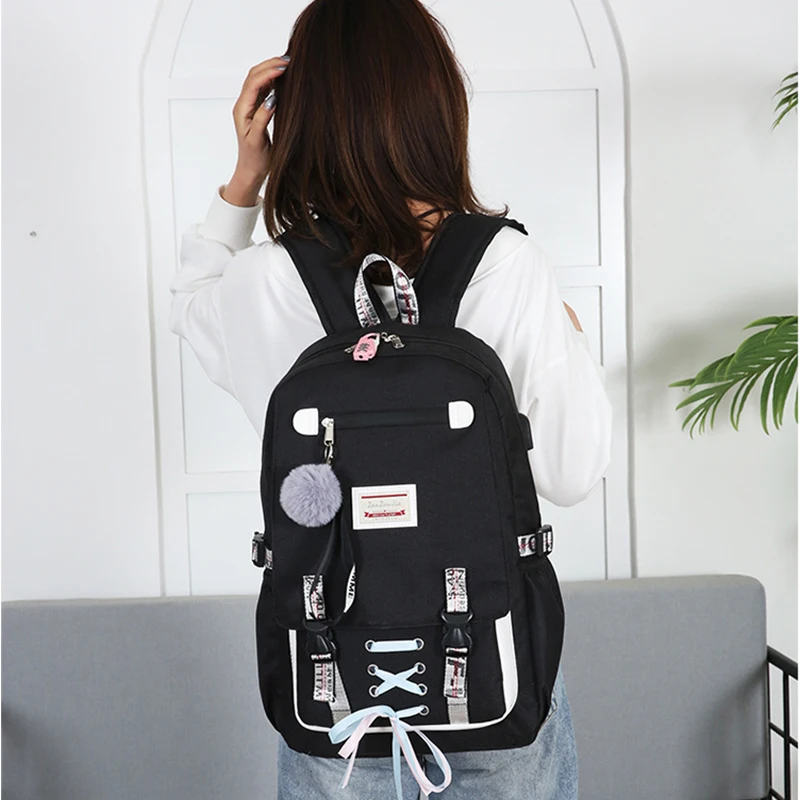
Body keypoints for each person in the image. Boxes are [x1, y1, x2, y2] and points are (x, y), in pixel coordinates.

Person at [169, 1, 611, 797]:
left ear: (294, 121)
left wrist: (243, 182)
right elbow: (573, 473)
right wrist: (569, 333)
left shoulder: (263, 281)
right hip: (495, 674)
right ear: (438, 107)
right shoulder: (507, 267)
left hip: (332, 694)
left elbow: (191, 305)